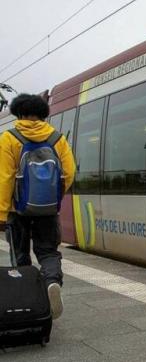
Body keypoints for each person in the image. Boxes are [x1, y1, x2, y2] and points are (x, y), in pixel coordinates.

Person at [0, 94, 75, 319]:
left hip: (17, 211)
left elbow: (4, 178)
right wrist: (53, 197)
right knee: (49, 252)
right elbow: (69, 173)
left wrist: (2, 213)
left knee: (20, 256)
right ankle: (52, 282)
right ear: (43, 114)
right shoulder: (57, 138)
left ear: (19, 113)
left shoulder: (8, 138)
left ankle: (28, 299)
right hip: (48, 211)